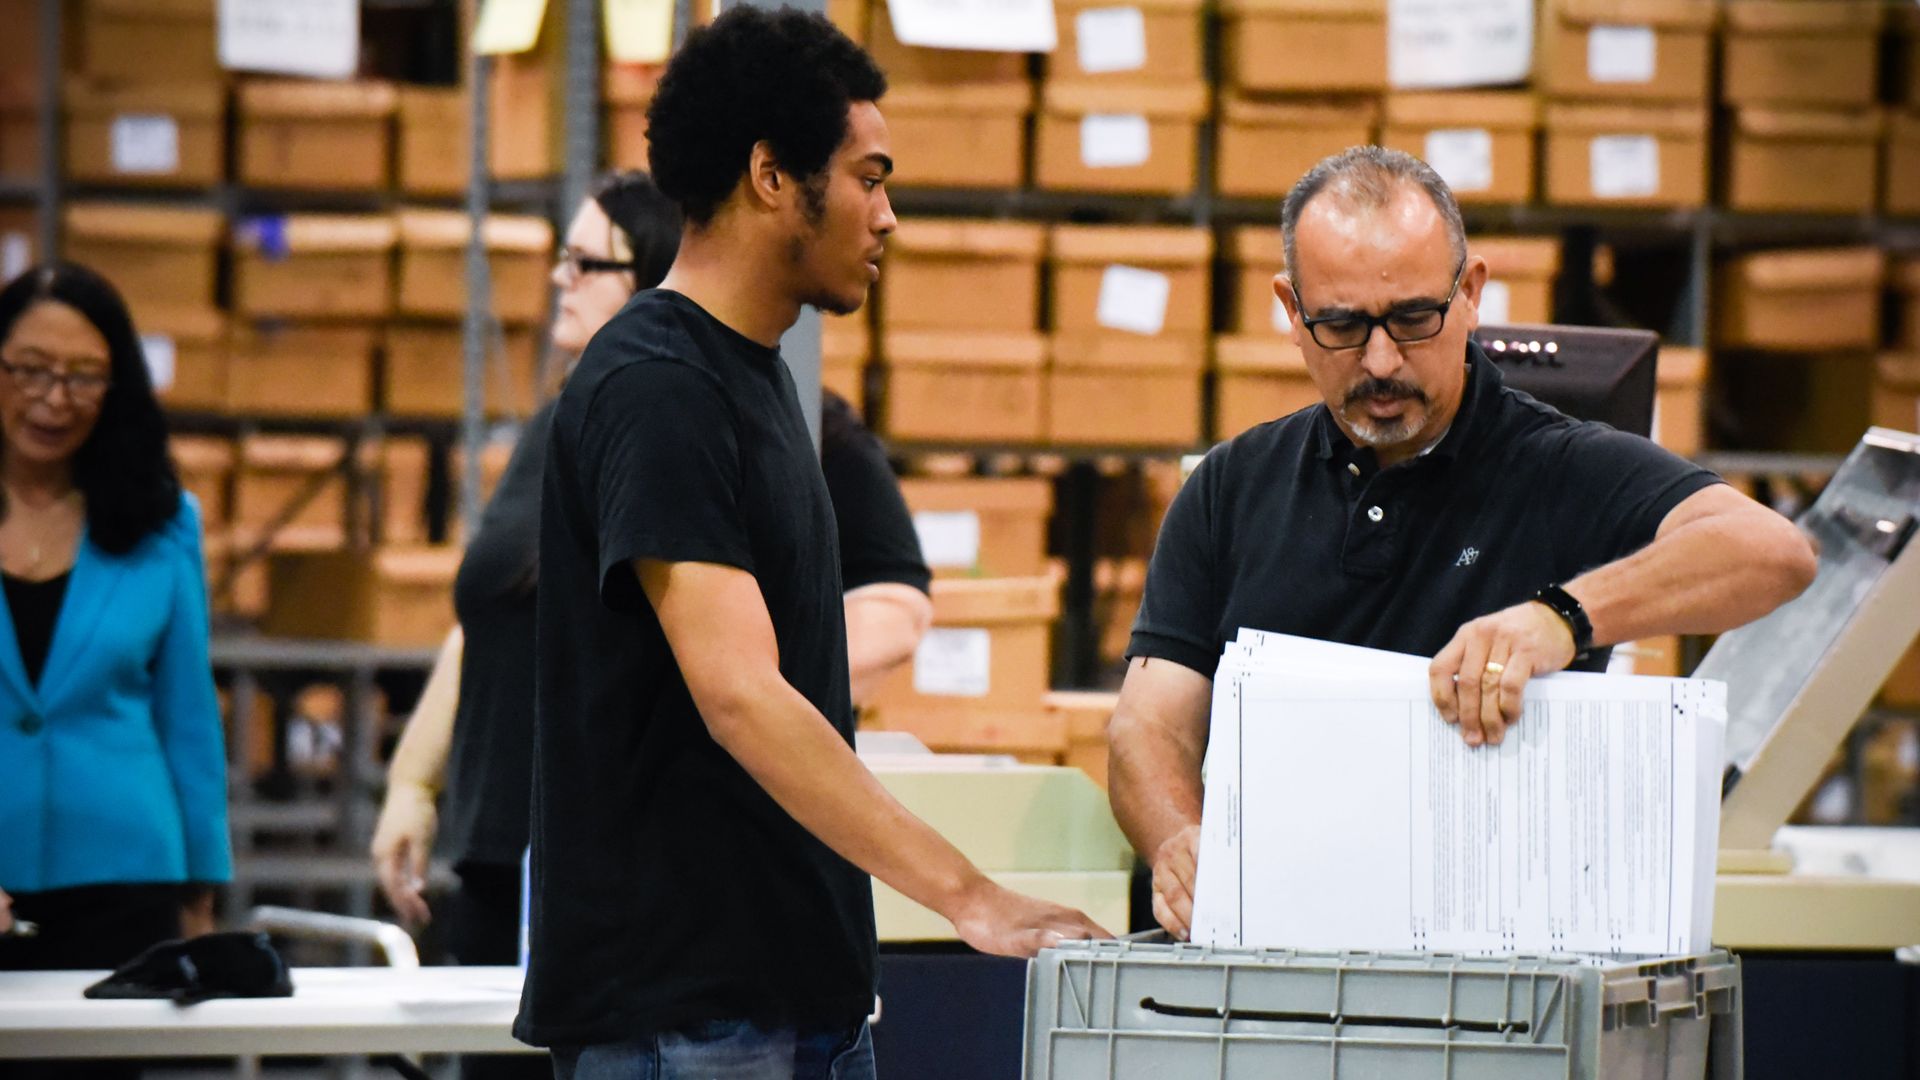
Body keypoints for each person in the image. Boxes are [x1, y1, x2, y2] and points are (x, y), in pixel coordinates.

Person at [515, 7, 1106, 1074]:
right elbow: (740, 693)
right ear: (772, 176)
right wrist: (970, 896)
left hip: (786, 1004)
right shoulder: (660, 385)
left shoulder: (755, 381)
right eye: (869, 177)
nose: (886, 215)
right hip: (692, 1018)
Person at [1106, 146, 1819, 941]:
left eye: (1414, 319)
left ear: (1471, 293)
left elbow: (1773, 553)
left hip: (1488, 976)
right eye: (1341, 325)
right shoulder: (1230, 487)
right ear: (1291, 310)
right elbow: (1149, 726)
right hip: (1271, 959)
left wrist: (1561, 617)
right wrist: (1180, 841)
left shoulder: (1559, 467)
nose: (1381, 361)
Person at [369, 172, 932, 1077]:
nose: (561, 278)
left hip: (674, 903)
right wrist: (412, 780)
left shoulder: (788, 418)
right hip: (514, 859)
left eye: (587, 262)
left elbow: (889, 609)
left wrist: (753, 686)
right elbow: (491, 619)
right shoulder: (571, 421)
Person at [0, 264, 229, 977]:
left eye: (84, 377)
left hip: (127, 880)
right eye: (31, 371)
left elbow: (188, 717)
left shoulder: (163, 522)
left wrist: (201, 889)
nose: (55, 399)